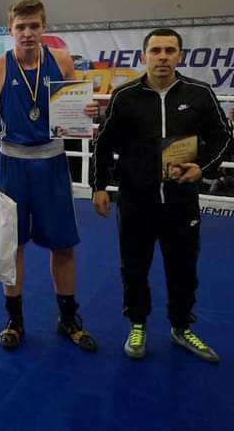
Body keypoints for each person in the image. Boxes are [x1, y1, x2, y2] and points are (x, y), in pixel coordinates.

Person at [91, 28, 232, 362]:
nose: (163, 57)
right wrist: (99, 186)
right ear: (144, 56)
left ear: (180, 56)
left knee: (184, 268)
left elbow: (224, 136)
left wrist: (201, 167)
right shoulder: (125, 96)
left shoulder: (199, 93)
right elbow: (104, 143)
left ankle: (181, 327)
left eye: (170, 50)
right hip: (135, 200)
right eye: (156, 51)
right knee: (134, 267)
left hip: (181, 201)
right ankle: (137, 324)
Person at [0, 0, 98, 352]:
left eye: (34, 26)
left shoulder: (61, 61)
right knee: (12, 246)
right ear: (10, 29)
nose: (27, 33)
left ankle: (68, 318)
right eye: (21, 27)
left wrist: (88, 111)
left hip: (52, 162)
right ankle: (14, 320)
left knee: (63, 245)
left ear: (44, 27)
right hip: (12, 163)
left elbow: (76, 110)